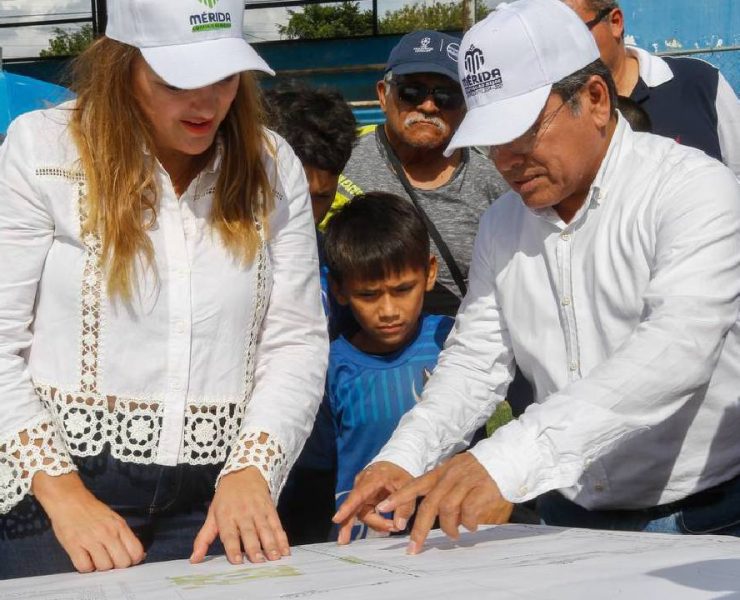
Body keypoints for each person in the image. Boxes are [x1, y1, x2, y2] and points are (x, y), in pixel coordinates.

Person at [333, 0, 740, 552]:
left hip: (704, 520)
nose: (506, 159)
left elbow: (676, 351)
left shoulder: (693, 190)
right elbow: (477, 359)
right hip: (564, 517)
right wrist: (401, 457)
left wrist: (507, 458)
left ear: (595, 100)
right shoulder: (503, 224)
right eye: (492, 139)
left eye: (524, 131)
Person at [0, 0, 328, 579]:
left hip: (220, 489)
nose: (206, 103)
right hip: (58, 486)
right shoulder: (43, 149)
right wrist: (64, 495)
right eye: (178, 79)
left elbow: (296, 341)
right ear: (122, 65)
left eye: (225, 76)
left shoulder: (273, 165)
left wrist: (253, 469)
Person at [307, 192, 453, 541]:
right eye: (369, 295)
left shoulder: (455, 345)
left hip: (452, 534)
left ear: (430, 273)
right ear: (339, 290)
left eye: (403, 289)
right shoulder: (328, 368)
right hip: (362, 541)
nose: (388, 310)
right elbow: (314, 474)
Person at [337, 30, 508, 317]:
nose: (428, 106)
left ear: (466, 106)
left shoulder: (494, 177)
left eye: (447, 96)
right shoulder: (343, 165)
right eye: (411, 91)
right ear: (383, 94)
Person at [562, 0, 740, 176]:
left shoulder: (699, 82)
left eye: (575, 33)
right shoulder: (555, 113)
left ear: (615, 22)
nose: (562, 49)